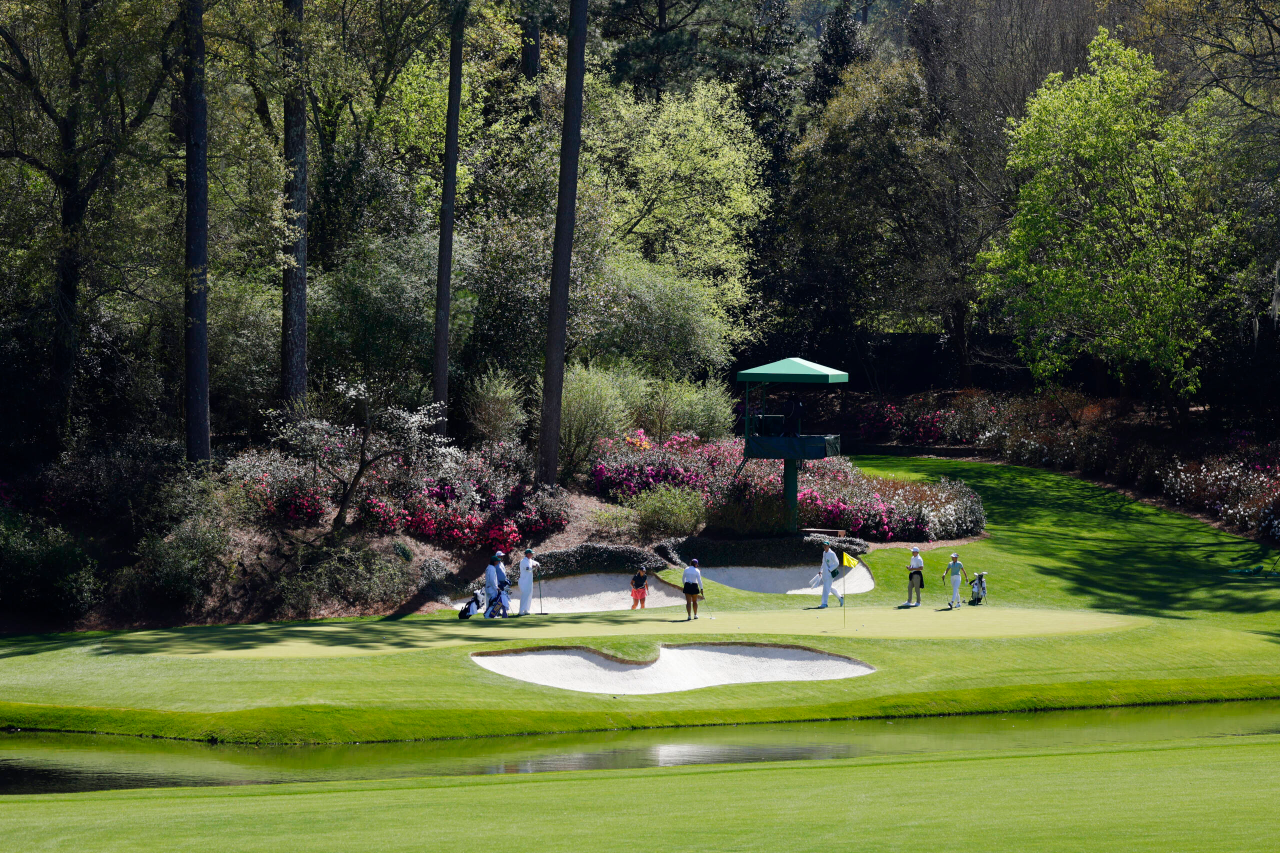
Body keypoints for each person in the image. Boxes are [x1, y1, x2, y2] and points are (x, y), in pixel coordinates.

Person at [814, 542, 843, 608]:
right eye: (824, 546)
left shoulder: (832, 554)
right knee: (829, 587)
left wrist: (829, 569)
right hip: (824, 574)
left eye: (826, 546)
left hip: (830, 574)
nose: (825, 547)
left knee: (825, 588)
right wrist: (821, 571)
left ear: (829, 546)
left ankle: (824, 603)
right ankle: (840, 597)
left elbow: (837, 563)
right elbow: (823, 563)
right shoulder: (824, 553)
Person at [484, 553, 509, 618]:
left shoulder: (489, 567)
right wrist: (496, 587)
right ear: (494, 562)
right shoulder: (492, 568)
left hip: (489, 587)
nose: (498, 562)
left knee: (492, 602)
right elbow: (492, 580)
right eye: (497, 561)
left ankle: (491, 614)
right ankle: (489, 615)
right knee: (493, 602)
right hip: (492, 588)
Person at [517, 548, 539, 616]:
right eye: (531, 554)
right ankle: (521, 611)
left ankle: (526, 610)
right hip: (524, 581)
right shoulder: (524, 561)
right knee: (525, 595)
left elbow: (536, 563)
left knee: (529, 595)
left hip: (529, 582)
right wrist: (534, 567)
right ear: (527, 554)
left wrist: (537, 565)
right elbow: (528, 568)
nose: (532, 555)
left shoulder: (530, 560)